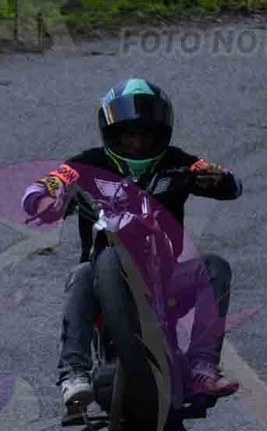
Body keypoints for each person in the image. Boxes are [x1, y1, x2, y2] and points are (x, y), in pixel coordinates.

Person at [20, 78, 242, 412]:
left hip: (166, 278)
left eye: (146, 135)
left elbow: (230, 183)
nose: (137, 143)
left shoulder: (179, 163)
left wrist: (217, 178)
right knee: (80, 275)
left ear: (161, 134)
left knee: (215, 267)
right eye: (128, 135)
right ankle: (73, 373)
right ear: (112, 134)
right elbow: (43, 186)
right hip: (101, 279)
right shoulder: (85, 165)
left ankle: (203, 366)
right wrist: (45, 200)